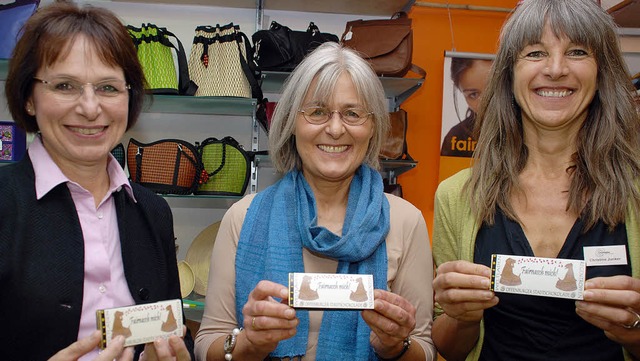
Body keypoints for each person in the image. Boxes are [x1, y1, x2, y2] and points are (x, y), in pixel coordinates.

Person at [195, 42, 435, 361]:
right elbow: (208, 342)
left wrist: (396, 345)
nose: (335, 129)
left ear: (373, 125)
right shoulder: (243, 217)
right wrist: (248, 344)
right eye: (318, 112)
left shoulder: (406, 221)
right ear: (293, 122)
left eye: (352, 113)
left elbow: (424, 348)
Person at [432, 0, 640, 360]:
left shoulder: (635, 193)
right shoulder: (457, 195)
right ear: (510, 75)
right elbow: (450, 349)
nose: (556, 69)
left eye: (577, 51)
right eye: (535, 53)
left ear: (602, 73)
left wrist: (634, 333)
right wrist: (460, 317)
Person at [0, 2, 193, 360]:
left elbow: (174, 334)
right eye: (65, 85)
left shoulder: (152, 212)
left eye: (108, 88)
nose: (90, 108)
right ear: (29, 97)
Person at [440, 57, 492, 157]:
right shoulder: (457, 137)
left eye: (492, 88)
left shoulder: (526, 129)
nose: (485, 102)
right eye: (473, 94)